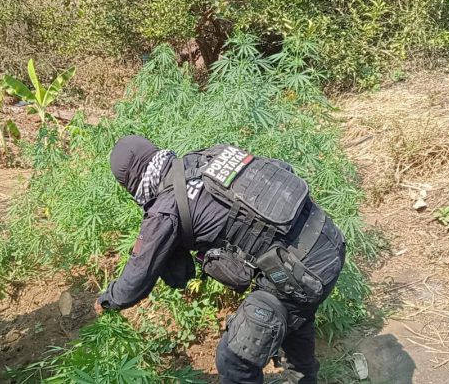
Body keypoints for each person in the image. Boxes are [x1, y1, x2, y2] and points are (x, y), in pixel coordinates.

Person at [95, 135, 346, 384]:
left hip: (302, 273)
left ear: (129, 182)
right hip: (327, 238)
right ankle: (302, 379)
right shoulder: (206, 157)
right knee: (295, 316)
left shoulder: (164, 209)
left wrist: (108, 300)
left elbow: (135, 280)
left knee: (234, 360)